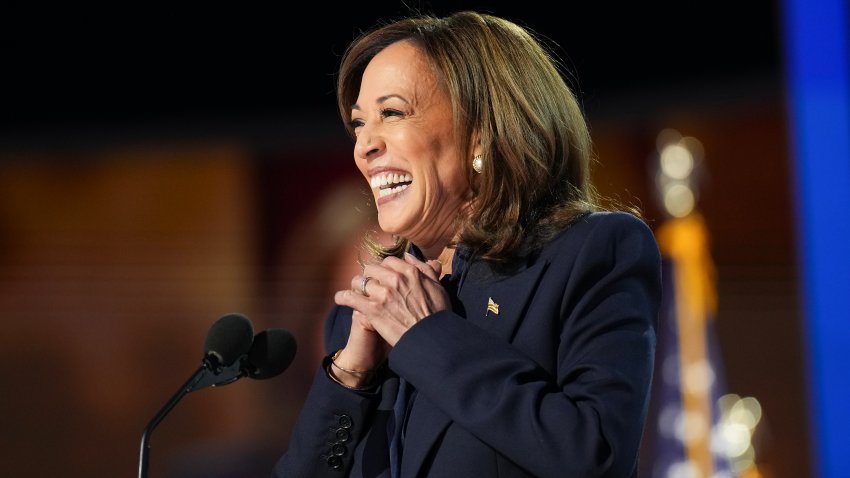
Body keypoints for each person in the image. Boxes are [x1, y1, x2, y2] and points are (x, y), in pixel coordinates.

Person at [273, 10, 661, 478]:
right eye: (359, 123)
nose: (364, 146)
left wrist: (426, 335)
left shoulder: (590, 253)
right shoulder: (361, 318)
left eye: (392, 113)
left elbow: (594, 455)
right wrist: (349, 378)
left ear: (481, 134)